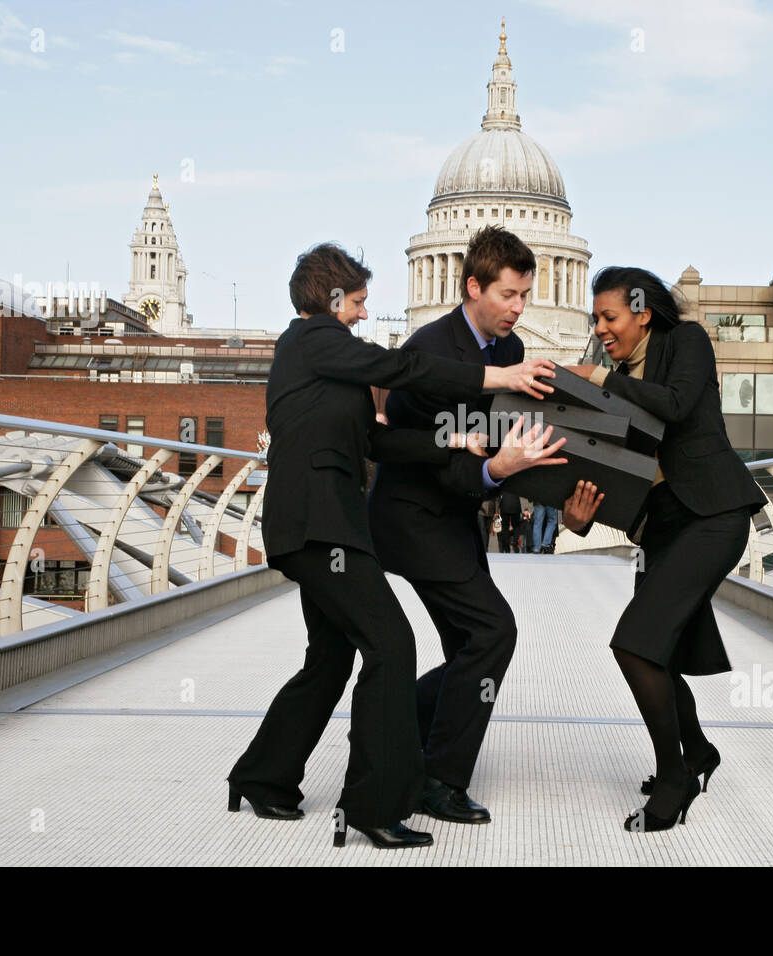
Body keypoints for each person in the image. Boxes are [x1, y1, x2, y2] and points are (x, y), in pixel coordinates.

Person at [226, 242, 559, 850]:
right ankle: (374, 804)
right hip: (319, 527)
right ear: (329, 301)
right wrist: (496, 375)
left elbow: (379, 447)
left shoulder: (327, 364)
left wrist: (453, 446)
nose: (361, 313)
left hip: (328, 528)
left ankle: (262, 776)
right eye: (356, 302)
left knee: (330, 660)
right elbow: (404, 370)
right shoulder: (310, 340)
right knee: (392, 644)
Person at [368, 225, 567, 825]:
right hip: (414, 516)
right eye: (509, 295)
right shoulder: (428, 348)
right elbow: (422, 453)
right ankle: (439, 779)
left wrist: (568, 504)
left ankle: (396, 726)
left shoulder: (508, 353)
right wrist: (493, 471)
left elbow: (506, 444)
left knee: (468, 649)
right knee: (493, 632)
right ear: (473, 285)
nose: (519, 308)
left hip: (455, 519)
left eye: (526, 296)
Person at [562, 265, 767, 832]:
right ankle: (697, 752)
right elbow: (607, 467)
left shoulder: (686, 342)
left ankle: (674, 775)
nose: (602, 329)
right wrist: (580, 516)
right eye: (596, 319)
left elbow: (675, 406)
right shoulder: (614, 374)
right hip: (660, 527)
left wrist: (598, 382)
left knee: (635, 645)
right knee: (661, 650)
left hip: (713, 515)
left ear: (643, 311)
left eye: (610, 317)